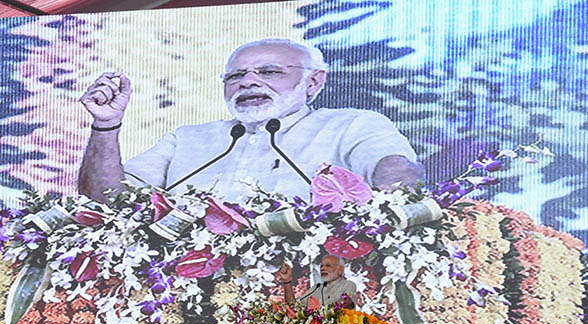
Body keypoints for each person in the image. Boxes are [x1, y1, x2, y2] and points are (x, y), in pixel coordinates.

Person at [78, 38, 421, 203]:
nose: (248, 82)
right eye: (235, 76)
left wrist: (393, 208)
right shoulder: (186, 139)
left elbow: (396, 171)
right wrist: (105, 126)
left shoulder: (352, 125)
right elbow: (106, 201)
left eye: (269, 72)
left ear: (313, 82)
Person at [279, 254, 356, 308]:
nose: (322, 268)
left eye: (328, 266)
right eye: (321, 266)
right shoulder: (316, 288)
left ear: (340, 270)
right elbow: (293, 306)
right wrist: (287, 281)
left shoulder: (348, 285)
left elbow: (345, 303)